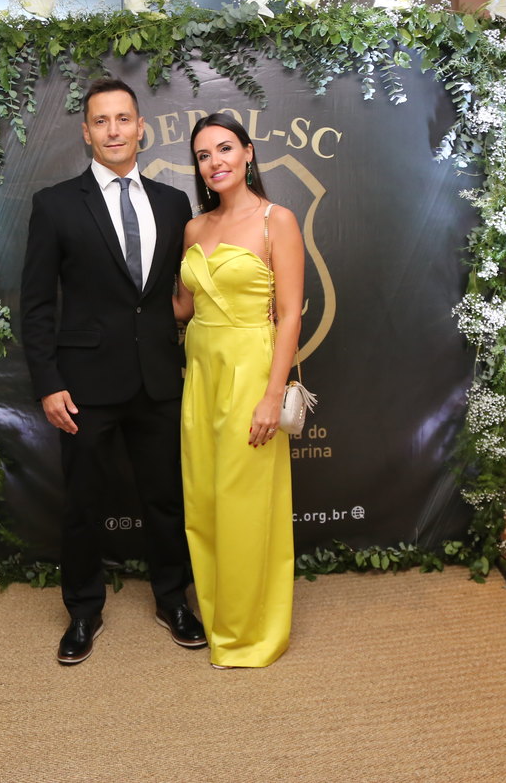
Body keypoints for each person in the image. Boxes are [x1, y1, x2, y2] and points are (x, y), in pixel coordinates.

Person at [21, 79, 207, 665]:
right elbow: (36, 304)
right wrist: (49, 382)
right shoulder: (55, 204)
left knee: (166, 498)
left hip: (159, 378)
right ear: (86, 133)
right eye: (101, 121)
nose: (114, 130)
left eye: (123, 118)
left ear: (140, 127)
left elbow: (180, 293)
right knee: (83, 503)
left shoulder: (174, 204)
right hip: (83, 385)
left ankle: (174, 600)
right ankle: (83, 610)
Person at [173, 113, 303, 668]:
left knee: (245, 502)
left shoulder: (278, 221)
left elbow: (290, 314)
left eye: (225, 148)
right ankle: (218, 616)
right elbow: (183, 308)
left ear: (248, 153)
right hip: (201, 374)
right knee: (204, 501)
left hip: (251, 371)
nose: (215, 162)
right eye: (204, 155)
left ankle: (249, 632)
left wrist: (272, 396)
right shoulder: (194, 229)